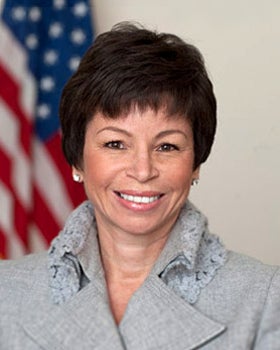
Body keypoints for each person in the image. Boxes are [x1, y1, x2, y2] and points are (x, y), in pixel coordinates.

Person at [0, 22, 279, 350]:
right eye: (116, 144)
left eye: (167, 146)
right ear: (77, 160)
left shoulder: (265, 298)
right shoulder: (6, 293)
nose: (143, 170)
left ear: (196, 164)